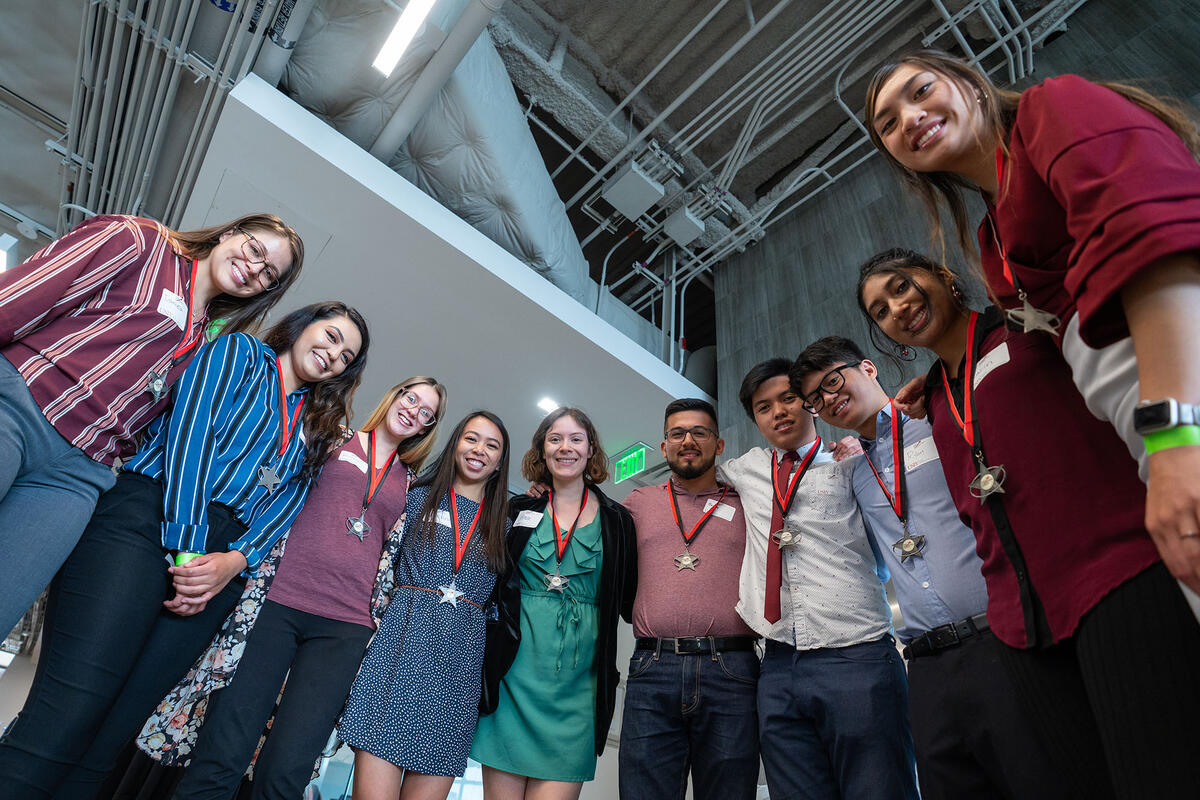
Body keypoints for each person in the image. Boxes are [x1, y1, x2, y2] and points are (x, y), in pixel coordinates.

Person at [857, 247, 1200, 796]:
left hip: (1116, 582)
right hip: (1023, 629)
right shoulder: (936, 400)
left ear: (943, 275)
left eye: (901, 286)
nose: (897, 307)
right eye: (879, 309)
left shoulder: (1027, 324)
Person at [864, 48, 1200, 598]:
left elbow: (1158, 250)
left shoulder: (1051, 110)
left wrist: (1178, 439)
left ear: (970, 83)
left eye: (920, 91)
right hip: (1145, 442)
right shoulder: (990, 242)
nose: (909, 118)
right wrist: (948, 384)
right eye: (889, 125)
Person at [0, 301, 369, 800]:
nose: (333, 355)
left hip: (222, 566)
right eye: (330, 337)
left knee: (116, 732)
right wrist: (190, 549)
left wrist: (236, 560)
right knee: (69, 709)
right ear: (302, 327)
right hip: (149, 520)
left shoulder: (316, 423)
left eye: (346, 356)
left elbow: (289, 502)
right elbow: (188, 438)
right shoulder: (239, 352)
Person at [125, 379, 445, 799]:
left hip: (346, 627)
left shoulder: (411, 485)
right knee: (224, 750)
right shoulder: (331, 437)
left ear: (427, 428)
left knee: (288, 769)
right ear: (395, 395)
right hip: (276, 603)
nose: (414, 412)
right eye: (411, 399)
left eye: (426, 413)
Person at [0, 212, 303, 634]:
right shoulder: (142, 241)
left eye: (269, 273)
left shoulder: (205, 338)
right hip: (19, 407)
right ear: (231, 233)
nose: (254, 268)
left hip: (78, 474)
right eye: (255, 250)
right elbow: (19, 296)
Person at [791, 336, 1064, 799]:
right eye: (815, 400)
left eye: (832, 381)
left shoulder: (939, 421)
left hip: (999, 637)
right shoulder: (854, 472)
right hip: (925, 663)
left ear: (869, 368)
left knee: (1040, 778)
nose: (829, 400)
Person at [717, 360, 918, 800]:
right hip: (777, 664)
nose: (779, 413)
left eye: (788, 398)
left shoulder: (852, 463)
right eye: (763, 407)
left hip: (857, 653)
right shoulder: (745, 469)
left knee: (880, 789)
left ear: (809, 402)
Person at [338, 411, 511, 800]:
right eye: (471, 438)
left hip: (457, 673)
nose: (479, 450)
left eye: (492, 444)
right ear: (455, 444)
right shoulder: (414, 496)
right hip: (398, 655)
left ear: (501, 461)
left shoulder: (507, 523)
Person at [471, 407, 637, 800]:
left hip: (579, 691)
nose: (566, 447)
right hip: (513, 678)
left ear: (591, 449)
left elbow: (628, 597)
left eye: (576, 438)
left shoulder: (618, 521)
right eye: (555, 438)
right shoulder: (518, 510)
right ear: (542, 451)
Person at [617, 398, 759, 800]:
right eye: (677, 433)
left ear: (719, 445)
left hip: (732, 669)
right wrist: (542, 491)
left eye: (700, 432)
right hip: (652, 667)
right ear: (664, 447)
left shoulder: (749, 502)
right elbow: (584, 516)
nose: (688, 440)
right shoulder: (637, 503)